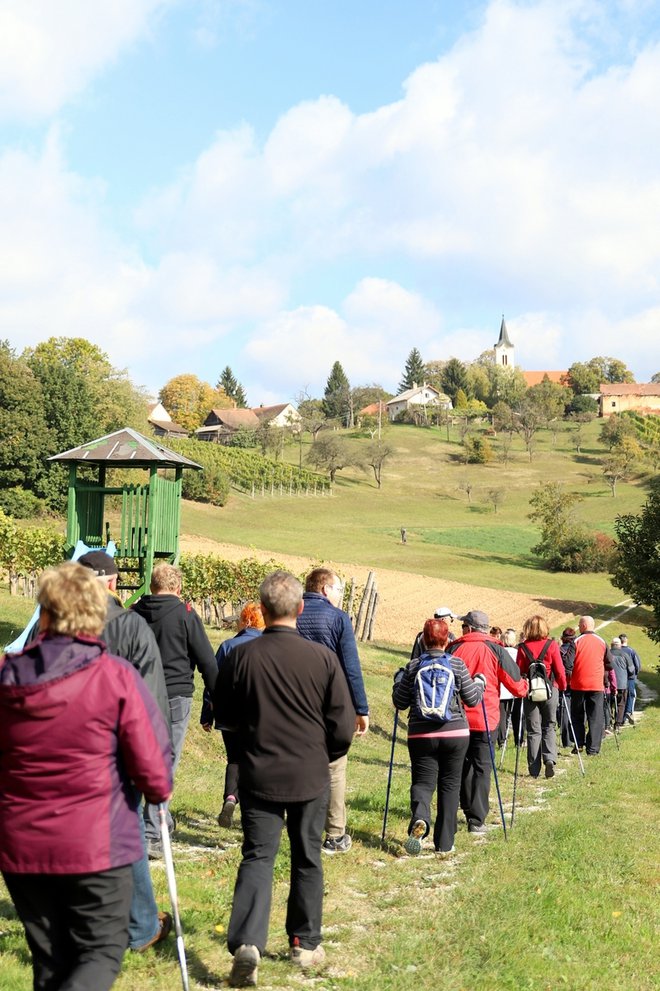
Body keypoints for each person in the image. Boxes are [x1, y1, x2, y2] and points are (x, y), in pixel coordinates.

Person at [0, 562, 172, 991]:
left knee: (51, 964)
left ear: (45, 612)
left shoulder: (7, 677)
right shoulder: (115, 678)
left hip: (23, 846)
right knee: (100, 952)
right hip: (95, 843)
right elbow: (154, 773)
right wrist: (153, 789)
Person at [214, 571, 355, 987]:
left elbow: (227, 716)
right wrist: (324, 754)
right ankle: (305, 942)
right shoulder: (323, 659)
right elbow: (342, 727)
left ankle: (247, 942)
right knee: (307, 857)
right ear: (298, 609)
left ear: (264, 608)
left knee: (258, 856)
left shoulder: (241, 657)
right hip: (310, 773)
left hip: (258, 773)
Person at [78, 549, 173, 953]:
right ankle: (140, 926)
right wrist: (157, 762)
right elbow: (151, 696)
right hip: (116, 750)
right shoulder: (131, 627)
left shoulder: (52, 626)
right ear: (115, 583)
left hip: (63, 750)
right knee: (128, 833)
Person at [133, 562, 218, 857]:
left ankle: (162, 819)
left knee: (141, 757)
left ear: (152, 585)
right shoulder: (185, 615)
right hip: (175, 695)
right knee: (166, 762)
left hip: (139, 693)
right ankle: (152, 832)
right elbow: (207, 661)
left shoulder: (133, 613)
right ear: (178, 587)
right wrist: (216, 697)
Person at [392, 618, 486, 856]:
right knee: (450, 785)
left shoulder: (413, 667)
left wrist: (398, 682)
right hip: (455, 732)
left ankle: (421, 818)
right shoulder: (456, 664)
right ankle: (444, 843)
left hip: (421, 734)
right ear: (447, 640)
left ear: (423, 640)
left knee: (423, 783)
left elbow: (400, 702)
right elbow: (472, 699)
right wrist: (480, 684)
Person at [296, 567, 369, 855]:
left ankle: (301, 826)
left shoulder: (292, 612)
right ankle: (335, 834)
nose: (341, 595)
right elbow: (351, 667)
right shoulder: (338, 618)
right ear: (326, 589)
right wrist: (361, 708)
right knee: (335, 766)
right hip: (330, 703)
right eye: (339, 590)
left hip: (295, 701)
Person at [448, 609, 528, 834]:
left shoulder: (454, 648)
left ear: (470, 628)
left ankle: (464, 807)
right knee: (482, 767)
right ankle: (477, 819)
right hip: (486, 717)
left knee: (462, 765)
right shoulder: (496, 649)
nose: (461, 629)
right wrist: (525, 688)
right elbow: (514, 682)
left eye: (463, 625)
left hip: (458, 716)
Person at [200, 602, 265, 828]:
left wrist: (207, 714)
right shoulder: (268, 645)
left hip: (229, 715)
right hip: (259, 716)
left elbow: (213, 683)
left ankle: (230, 799)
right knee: (257, 761)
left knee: (235, 759)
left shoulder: (227, 646)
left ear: (246, 621)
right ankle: (253, 811)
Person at [516, 616, 567, 779]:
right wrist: (563, 686)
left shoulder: (522, 648)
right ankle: (550, 758)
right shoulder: (551, 645)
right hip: (550, 689)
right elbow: (559, 670)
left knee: (533, 729)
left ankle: (533, 767)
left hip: (531, 692)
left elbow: (519, 671)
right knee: (549, 726)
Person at [569, 616, 613, 756]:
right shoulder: (602, 642)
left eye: (579, 624)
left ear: (583, 626)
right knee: (595, 716)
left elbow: (568, 664)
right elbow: (610, 663)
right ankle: (593, 748)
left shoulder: (576, 641)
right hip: (596, 684)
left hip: (578, 684)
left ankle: (579, 744)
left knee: (577, 715)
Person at [498, 629, 518, 748]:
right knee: (516, 716)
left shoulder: (499, 652)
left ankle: (502, 742)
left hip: (502, 690)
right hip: (514, 689)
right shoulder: (517, 653)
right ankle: (518, 740)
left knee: (502, 717)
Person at [609, 637, 635, 728]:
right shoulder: (625, 655)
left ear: (611, 645)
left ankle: (608, 723)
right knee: (621, 704)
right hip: (622, 684)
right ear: (619, 646)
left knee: (608, 704)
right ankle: (618, 723)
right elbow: (631, 670)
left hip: (608, 684)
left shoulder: (607, 654)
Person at [558, 628, 576, 748]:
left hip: (562, 682)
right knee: (576, 710)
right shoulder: (575, 649)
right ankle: (576, 737)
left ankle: (566, 740)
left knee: (564, 710)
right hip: (575, 682)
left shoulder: (558, 650)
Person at [619, 633, 641, 725]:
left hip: (620, 677)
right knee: (631, 695)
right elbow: (637, 665)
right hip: (630, 678)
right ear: (626, 640)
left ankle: (620, 717)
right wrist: (635, 674)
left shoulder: (616, 651)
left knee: (621, 697)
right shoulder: (631, 651)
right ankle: (628, 712)